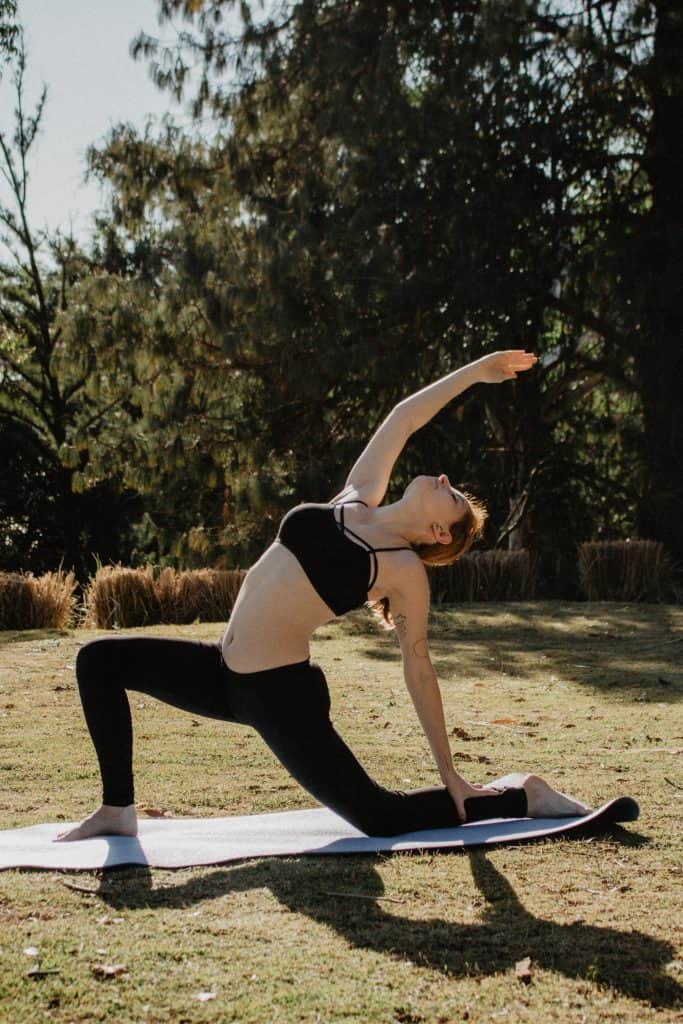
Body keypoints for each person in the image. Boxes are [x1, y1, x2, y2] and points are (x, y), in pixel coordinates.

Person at [57, 350, 589, 842]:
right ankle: (117, 810)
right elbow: (404, 417)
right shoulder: (357, 497)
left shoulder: (400, 571)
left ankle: (524, 797)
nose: (444, 478)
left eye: (449, 495)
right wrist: (476, 372)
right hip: (221, 673)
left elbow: (418, 666)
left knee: (381, 817)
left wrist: (450, 772)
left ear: (439, 533)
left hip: (278, 696)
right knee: (98, 661)